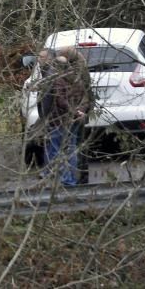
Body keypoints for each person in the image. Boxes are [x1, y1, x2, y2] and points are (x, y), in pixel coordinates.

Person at [38, 49, 92, 187]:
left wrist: (46, 117)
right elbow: (86, 98)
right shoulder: (77, 78)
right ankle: (69, 179)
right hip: (75, 119)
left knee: (57, 148)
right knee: (71, 148)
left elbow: (59, 101)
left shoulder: (57, 80)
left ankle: (65, 179)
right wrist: (80, 112)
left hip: (60, 119)